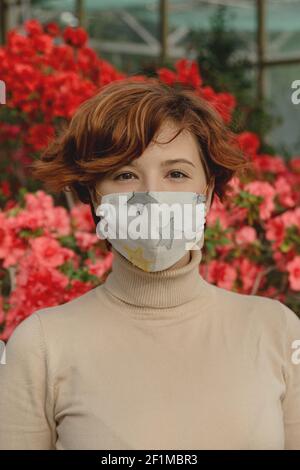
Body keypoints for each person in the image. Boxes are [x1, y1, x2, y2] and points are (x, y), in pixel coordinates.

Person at [0, 79, 299, 450]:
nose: (152, 196)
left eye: (176, 173)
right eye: (125, 175)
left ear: (206, 194)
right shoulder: (42, 346)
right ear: (95, 197)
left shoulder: (278, 331)